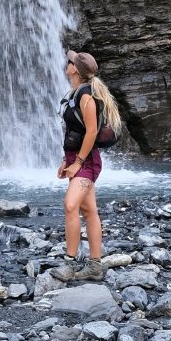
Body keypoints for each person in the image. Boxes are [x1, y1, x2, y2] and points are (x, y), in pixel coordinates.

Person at [53, 49, 122, 281]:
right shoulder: (74, 93)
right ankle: (94, 265)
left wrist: (78, 162)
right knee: (89, 211)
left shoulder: (86, 96)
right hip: (76, 158)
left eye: (70, 61)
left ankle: (70, 265)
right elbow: (75, 131)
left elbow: (92, 132)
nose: (67, 62)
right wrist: (66, 159)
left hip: (87, 161)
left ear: (76, 69)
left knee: (70, 205)